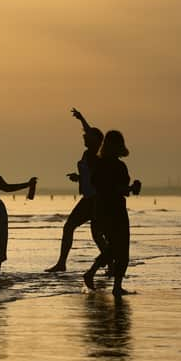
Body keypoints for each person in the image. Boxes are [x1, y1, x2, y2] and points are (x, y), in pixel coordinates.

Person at [46, 108, 109, 272]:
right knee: (92, 234)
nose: (84, 137)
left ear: (96, 141)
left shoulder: (95, 157)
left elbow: (98, 180)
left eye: (87, 137)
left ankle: (62, 264)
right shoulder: (87, 154)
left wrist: (82, 119)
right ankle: (111, 264)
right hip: (89, 199)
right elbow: (91, 177)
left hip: (94, 200)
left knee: (90, 233)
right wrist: (79, 178)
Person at [83, 131, 140, 297]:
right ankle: (96, 275)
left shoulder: (107, 164)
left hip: (107, 209)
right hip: (111, 209)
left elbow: (120, 189)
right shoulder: (110, 165)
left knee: (116, 248)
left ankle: (111, 283)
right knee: (119, 248)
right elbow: (109, 188)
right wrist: (129, 188)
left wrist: (131, 188)